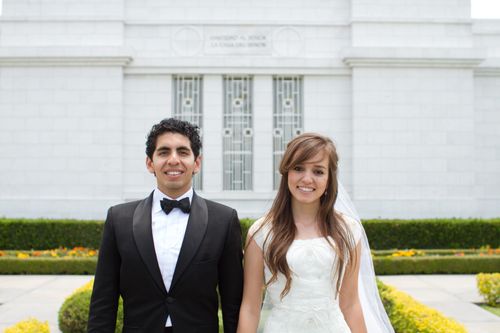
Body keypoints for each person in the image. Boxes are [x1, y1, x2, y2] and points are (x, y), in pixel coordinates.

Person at [88, 118, 244, 333]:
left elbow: (232, 302)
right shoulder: (119, 219)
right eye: (163, 152)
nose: (173, 160)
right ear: (149, 163)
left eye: (182, 152)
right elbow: (103, 301)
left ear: (196, 163)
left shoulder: (224, 220)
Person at [237, 133, 393, 333]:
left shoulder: (349, 230)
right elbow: (250, 307)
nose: (307, 179)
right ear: (286, 173)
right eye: (298, 168)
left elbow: (350, 304)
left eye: (318, 171)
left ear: (329, 178)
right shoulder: (261, 232)